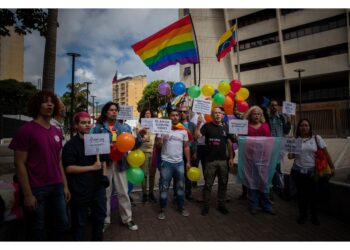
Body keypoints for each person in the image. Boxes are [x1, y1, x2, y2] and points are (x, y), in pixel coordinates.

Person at [8, 90, 70, 240]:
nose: (49, 104)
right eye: (45, 101)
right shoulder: (25, 131)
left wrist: (65, 185)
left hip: (57, 186)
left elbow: (58, 160)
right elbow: (19, 163)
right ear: (37, 105)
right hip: (37, 189)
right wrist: (28, 194)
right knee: (38, 229)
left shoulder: (56, 131)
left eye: (51, 102)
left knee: (62, 223)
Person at [90, 102, 142, 231]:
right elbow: (91, 145)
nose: (114, 112)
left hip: (121, 164)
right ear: (105, 112)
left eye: (115, 110)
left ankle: (127, 219)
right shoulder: (98, 127)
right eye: (111, 110)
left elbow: (133, 145)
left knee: (123, 192)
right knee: (105, 194)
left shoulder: (125, 128)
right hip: (104, 165)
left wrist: (139, 136)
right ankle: (105, 221)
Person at [62, 112, 109, 241]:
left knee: (100, 217)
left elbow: (104, 160)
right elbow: (68, 168)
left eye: (89, 122)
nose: (87, 125)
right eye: (83, 123)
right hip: (80, 189)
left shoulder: (97, 139)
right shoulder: (71, 145)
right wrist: (91, 167)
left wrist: (104, 175)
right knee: (80, 222)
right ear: (76, 126)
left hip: (98, 187)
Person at [288, 119, 335, 225]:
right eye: (301, 125)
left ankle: (314, 216)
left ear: (310, 127)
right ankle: (303, 215)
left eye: (306, 125)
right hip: (298, 171)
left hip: (313, 172)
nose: (304, 127)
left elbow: (325, 154)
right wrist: (290, 150)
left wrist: (332, 167)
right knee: (301, 195)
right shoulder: (296, 140)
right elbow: (291, 157)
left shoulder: (316, 138)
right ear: (298, 128)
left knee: (314, 195)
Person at [195, 107, 235, 216]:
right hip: (210, 161)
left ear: (222, 115)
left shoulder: (226, 127)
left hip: (223, 161)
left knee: (223, 184)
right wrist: (198, 124)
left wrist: (231, 157)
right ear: (212, 115)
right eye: (215, 113)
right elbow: (197, 136)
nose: (217, 115)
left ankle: (221, 205)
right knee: (208, 184)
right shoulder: (207, 126)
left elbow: (230, 143)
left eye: (219, 113)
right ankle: (206, 206)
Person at [155, 108, 191, 220]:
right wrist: (161, 141)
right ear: (169, 117)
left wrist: (188, 161)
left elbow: (186, 147)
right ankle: (162, 209)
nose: (175, 117)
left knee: (181, 186)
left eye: (176, 115)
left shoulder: (183, 130)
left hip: (179, 163)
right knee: (164, 187)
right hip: (166, 163)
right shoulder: (163, 129)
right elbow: (158, 146)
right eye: (172, 115)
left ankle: (181, 206)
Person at [242, 105, 275, 215]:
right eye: (254, 114)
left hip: (263, 159)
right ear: (250, 115)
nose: (256, 116)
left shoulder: (265, 126)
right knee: (252, 182)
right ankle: (253, 205)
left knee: (264, 183)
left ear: (261, 115)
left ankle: (267, 206)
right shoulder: (245, 127)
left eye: (258, 114)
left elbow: (269, 142)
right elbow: (242, 142)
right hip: (250, 159)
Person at [268, 99, 291, 197]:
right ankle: (273, 186)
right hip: (269, 147)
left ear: (278, 106)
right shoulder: (267, 118)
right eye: (272, 105)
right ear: (270, 107)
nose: (274, 107)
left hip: (280, 147)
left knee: (280, 168)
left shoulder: (282, 117)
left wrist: (289, 122)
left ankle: (281, 189)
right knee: (271, 168)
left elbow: (286, 132)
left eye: (276, 105)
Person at [173, 106, 197, 201]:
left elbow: (195, 140)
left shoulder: (192, 125)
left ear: (188, 113)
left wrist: (194, 152)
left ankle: (188, 193)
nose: (182, 113)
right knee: (177, 174)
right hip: (178, 152)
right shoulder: (176, 125)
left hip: (190, 152)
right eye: (181, 111)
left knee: (188, 173)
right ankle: (176, 193)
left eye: (184, 111)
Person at [137, 109, 157, 203]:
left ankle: (151, 193)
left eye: (149, 113)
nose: (148, 115)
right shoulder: (139, 125)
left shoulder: (156, 125)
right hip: (143, 152)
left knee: (152, 175)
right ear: (143, 115)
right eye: (146, 113)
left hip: (154, 152)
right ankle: (144, 194)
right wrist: (141, 134)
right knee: (144, 175)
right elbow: (136, 138)